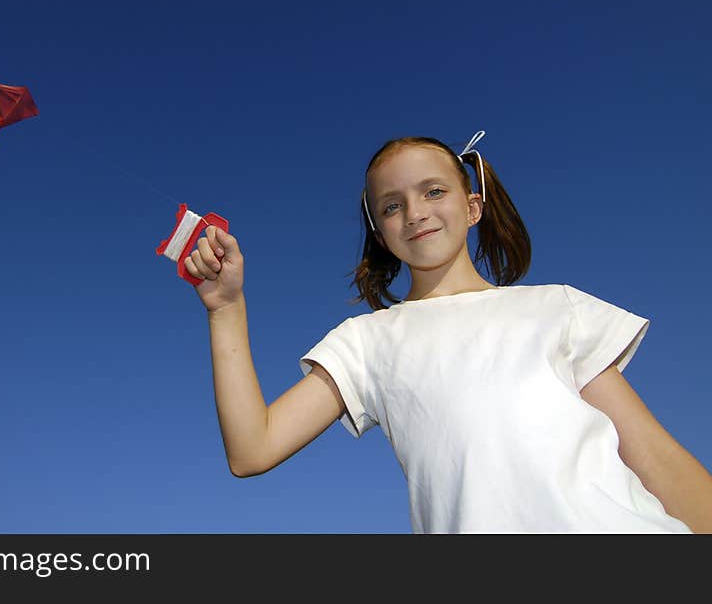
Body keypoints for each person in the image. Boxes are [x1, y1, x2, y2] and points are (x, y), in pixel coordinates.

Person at [184, 130, 712, 533]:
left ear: (472, 205)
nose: (415, 213)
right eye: (392, 205)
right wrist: (226, 308)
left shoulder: (556, 307)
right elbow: (252, 451)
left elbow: (654, 456)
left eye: (433, 190)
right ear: (380, 231)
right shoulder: (367, 342)